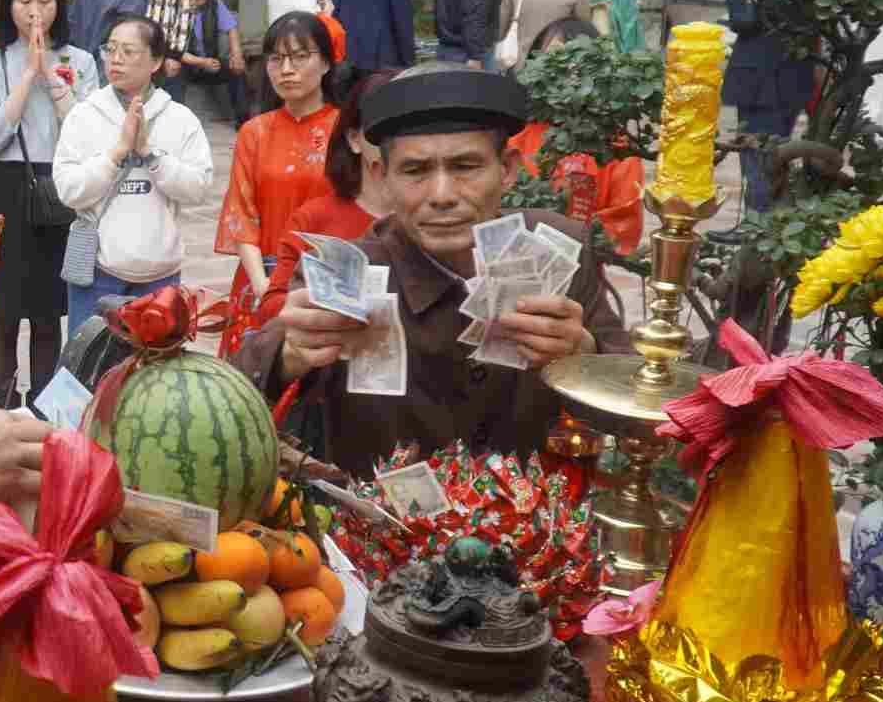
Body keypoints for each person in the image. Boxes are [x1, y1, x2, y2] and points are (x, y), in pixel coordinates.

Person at [236, 68, 632, 477]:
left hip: (542, 529)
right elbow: (233, 388)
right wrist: (289, 356)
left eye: (465, 166)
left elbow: (641, 403)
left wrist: (584, 358)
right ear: (380, 177)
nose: (441, 195)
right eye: (415, 171)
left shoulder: (558, 252)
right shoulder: (345, 273)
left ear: (508, 169)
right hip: (381, 532)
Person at [0, 0, 102, 408]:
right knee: (1, 312)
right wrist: (26, 76)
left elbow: (88, 134)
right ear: (9, 4)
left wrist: (52, 75)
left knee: (48, 312)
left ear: (58, 4)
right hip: (3, 188)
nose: (35, 12)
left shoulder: (80, 61)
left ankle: (42, 409)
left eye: (45, 1)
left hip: (57, 186)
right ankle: (7, 405)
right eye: (25, 0)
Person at [52, 14, 214, 328]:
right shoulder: (84, 115)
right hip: (97, 272)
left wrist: (151, 155)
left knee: (152, 371)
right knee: (92, 368)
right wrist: (115, 154)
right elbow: (68, 189)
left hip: (160, 275)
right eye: (110, 50)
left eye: (128, 51)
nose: (116, 59)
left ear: (155, 62)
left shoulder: (179, 119)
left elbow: (198, 187)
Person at [216, 12, 343, 319]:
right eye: (276, 59)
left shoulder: (345, 131)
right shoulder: (254, 132)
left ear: (326, 63)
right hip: (260, 280)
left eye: (300, 57)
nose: (286, 70)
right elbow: (240, 216)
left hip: (328, 280)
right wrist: (265, 291)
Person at [245, 72, 394, 331]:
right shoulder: (313, 219)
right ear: (354, 139)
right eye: (382, 129)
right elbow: (271, 307)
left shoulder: (440, 217)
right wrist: (305, 307)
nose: (397, 143)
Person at [723, 0, 815, 214]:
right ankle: (766, 223)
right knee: (775, 155)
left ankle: (757, 226)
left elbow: (743, 21)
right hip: (790, 79)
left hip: (761, 83)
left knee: (758, 157)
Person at [169, 0, 245, 120]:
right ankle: (174, 121)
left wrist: (236, 54)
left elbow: (231, 27)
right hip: (187, 63)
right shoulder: (175, 8)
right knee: (173, 68)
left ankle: (243, 120)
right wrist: (201, 62)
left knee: (237, 69)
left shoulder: (214, 3)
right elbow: (174, 50)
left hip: (211, 61)